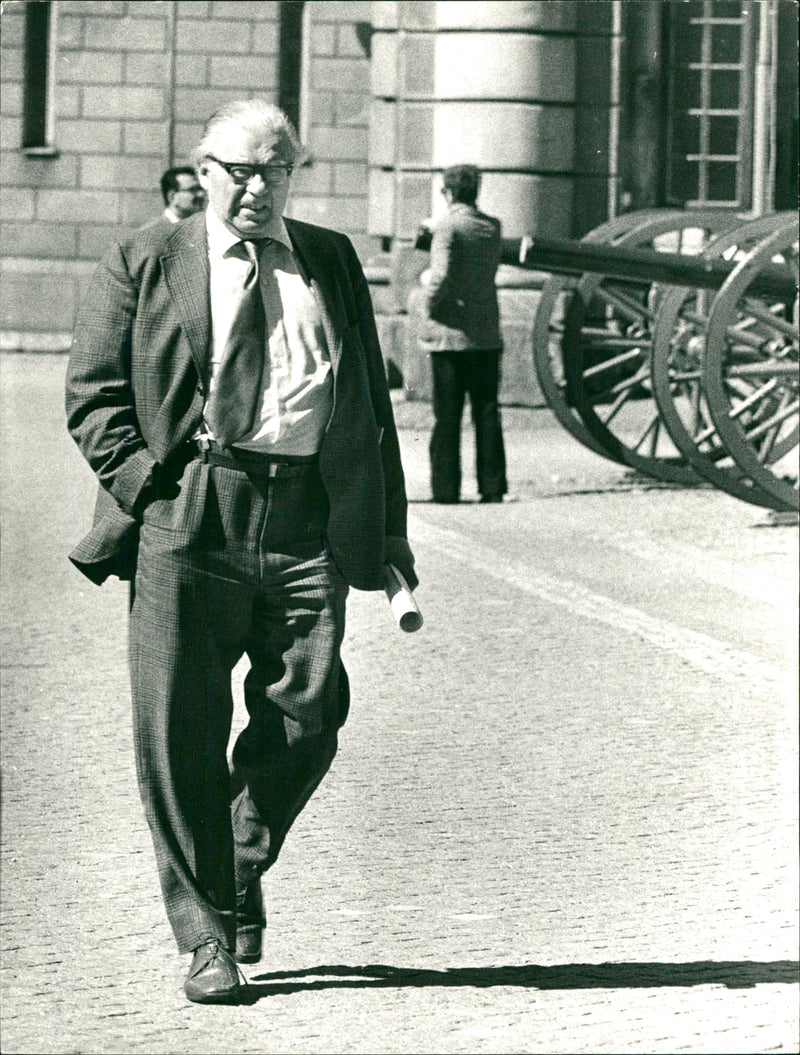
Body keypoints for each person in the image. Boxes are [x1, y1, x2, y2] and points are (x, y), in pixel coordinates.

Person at [65, 100, 417, 1005]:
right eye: (239, 170)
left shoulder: (330, 258)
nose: (257, 188)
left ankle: (233, 866)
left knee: (309, 713)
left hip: (305, 518)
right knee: (177, 729)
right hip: (190, 512)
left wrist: (387, 533)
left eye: (275, 170)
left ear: (294, 174)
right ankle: (206, 938)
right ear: (204, 169)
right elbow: (94, 393)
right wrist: (148, 486)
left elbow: (371, 408)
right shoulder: (146, 259)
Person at [419, 163, 507, 503]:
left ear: (450, 191)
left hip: (450, 335)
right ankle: (492, 485)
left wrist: (423, 305)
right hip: (486, 333)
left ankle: (446, 489)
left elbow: (439, 276)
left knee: (447, 416)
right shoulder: (492, 227)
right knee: (486, 411)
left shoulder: (448, 226)